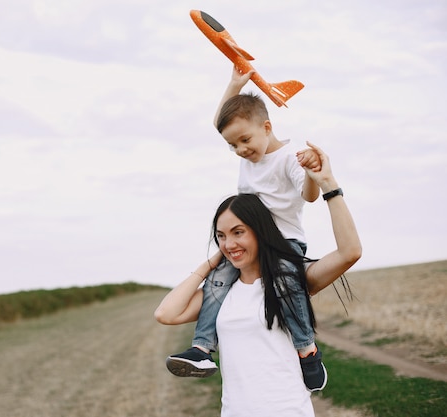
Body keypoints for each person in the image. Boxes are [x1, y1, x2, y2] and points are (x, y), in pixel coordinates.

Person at [155, 143, 361, 416]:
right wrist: (209, 264)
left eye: (238, 232)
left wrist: (329, 186)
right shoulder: (221, 293)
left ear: (260, 231)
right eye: (221, 236)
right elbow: (166, 313)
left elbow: (350, 252)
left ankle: (309, 355)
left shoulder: (292, 282)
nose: (229, 243)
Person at [165, 67, 326, 391]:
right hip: (250, 243)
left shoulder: (287, 160)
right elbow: (221, 124)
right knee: (219, 280)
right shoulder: (248, 153)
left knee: (284, 280)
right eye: (232, 145)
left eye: (245, 141)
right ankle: (201, 349)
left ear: (267, 127)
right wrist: (235, 84)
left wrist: (311, 171)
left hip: (284, 243)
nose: (240, 150)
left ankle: (306, 349)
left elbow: (309, 196)